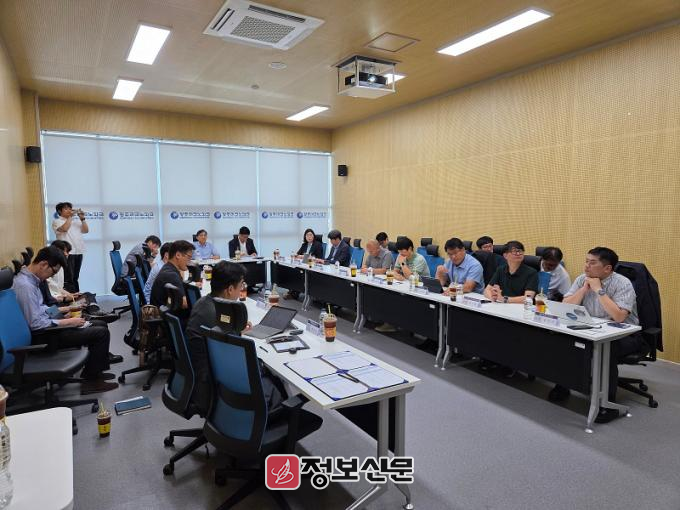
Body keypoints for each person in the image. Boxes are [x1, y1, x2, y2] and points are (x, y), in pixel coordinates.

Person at [549, 247, 641, 424]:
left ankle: (607, 404)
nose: (586, 266)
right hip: (592, 328)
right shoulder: (582, 279)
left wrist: (599, 290)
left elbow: (619, 317)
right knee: (564, 341)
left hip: (624, 334)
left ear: (607, 268)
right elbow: (566, 304)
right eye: (586, 261)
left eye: (592, 263)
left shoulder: (623, 283)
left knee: (606, 349)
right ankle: (563, 386)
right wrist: (583, 290)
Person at [12, 246, 118, 394]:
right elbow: (35, 324)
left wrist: (63, 312)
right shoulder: (25, 286)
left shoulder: (32, 281)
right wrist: (67, 322)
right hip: (43, 337)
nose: (50, 277)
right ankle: (91, 381)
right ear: (43, 264)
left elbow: (42, 309)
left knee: (100, 324)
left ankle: (95, 372)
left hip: (47, 330)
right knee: (100, 333)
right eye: (53, 272)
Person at [150, 240, 194, 324]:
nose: (190, 261)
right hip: (171, 323)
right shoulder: (171, 275)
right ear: (178, 255)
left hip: (167, 318)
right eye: (189, 257)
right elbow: (184, 303)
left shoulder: (168, 268)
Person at [52, 202, 88, 293]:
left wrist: (82, 219)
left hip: (78, 251)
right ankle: (70, 297)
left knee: (75, 277)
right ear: (59, 211)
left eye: (70, 208)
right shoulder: (57, 221)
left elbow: (86, 230)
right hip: (67, 253)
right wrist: (70, 217)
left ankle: (77, 296)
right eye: (66, 209)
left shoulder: (75, 222)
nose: (69, 210)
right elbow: (64, 229)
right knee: (68, 278)